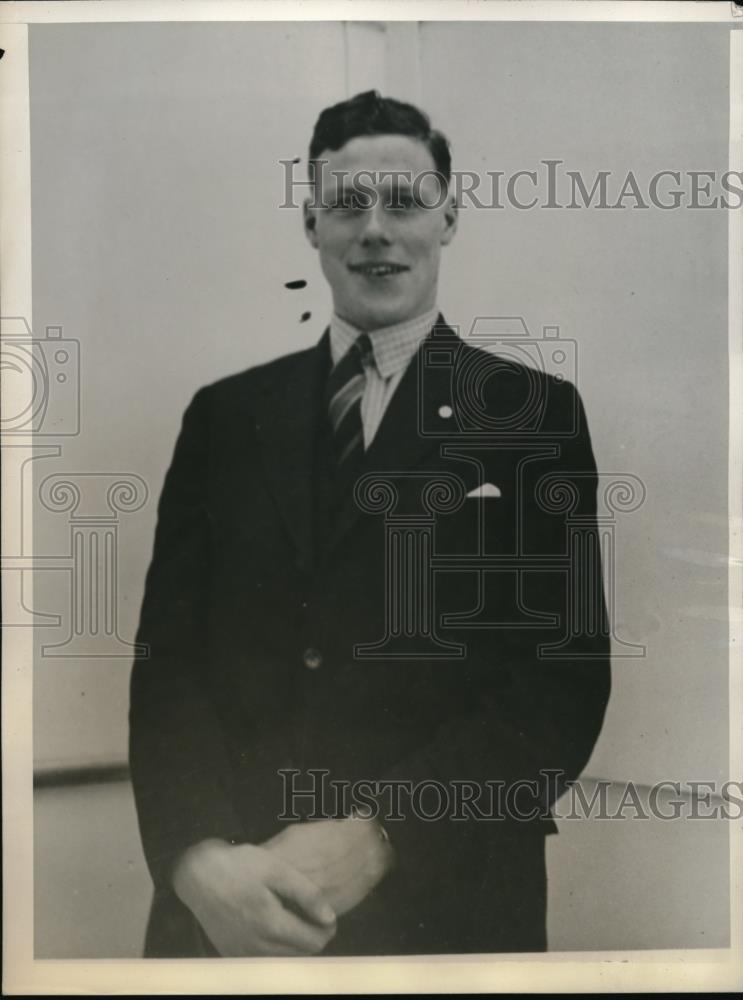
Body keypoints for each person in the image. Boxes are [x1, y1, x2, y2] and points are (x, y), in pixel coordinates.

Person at [128, 90, 611, 958]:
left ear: (449, 218)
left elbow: (558, 687)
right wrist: (198, 861)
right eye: (347, 205)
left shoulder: (531, 417)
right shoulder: (225, 417)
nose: (376, 229)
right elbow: (168, 666)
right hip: (227, 913)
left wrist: (380, 834)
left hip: (444, 905)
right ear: (312, 224)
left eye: (405, 202)